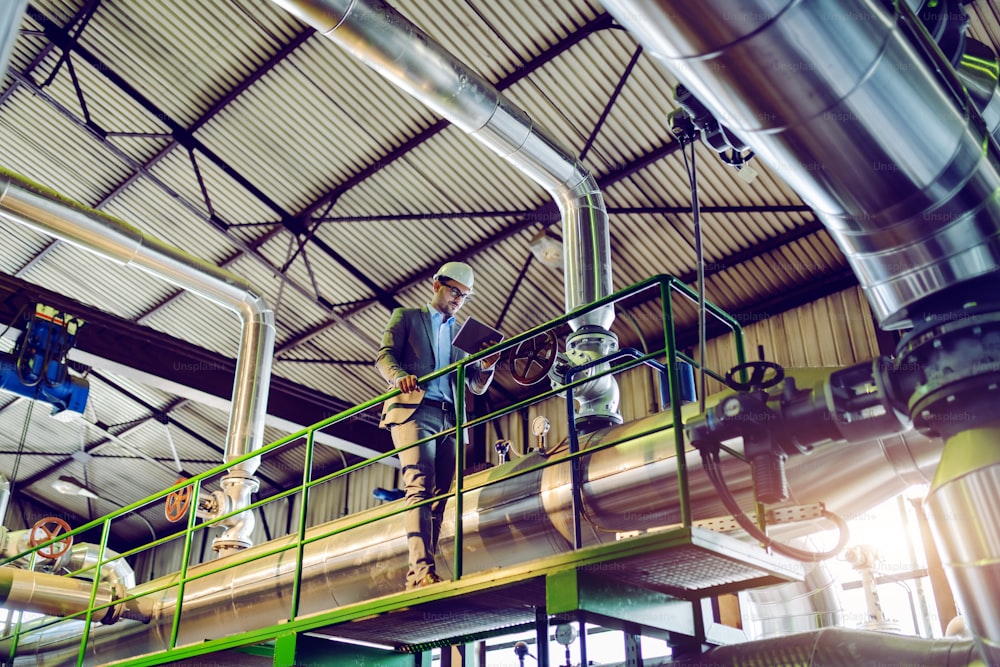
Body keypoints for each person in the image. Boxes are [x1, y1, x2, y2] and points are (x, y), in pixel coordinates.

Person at [375, 261, 499, 589]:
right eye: (455, 291)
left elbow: (475, 384)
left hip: (451, 418)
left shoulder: (463, 337)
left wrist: (486, 366)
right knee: (419, 486)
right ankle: (419, 572)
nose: (459, 299)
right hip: (415, 411)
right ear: (437, 286)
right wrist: (400, 378)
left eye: (465, 296)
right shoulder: (406, 317)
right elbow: (384, 356)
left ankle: (423, 573)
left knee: (441, 496)